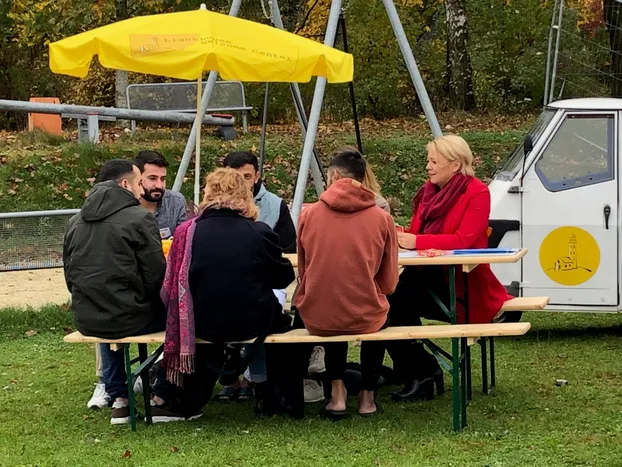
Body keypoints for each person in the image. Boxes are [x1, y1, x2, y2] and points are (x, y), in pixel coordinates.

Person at [151, 168, 299, 420]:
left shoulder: (187, 233)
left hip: (200, 322)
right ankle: (276, 393)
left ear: (208, 194)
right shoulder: (259, 231)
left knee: (213, 339)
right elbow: (284, 277)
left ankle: (179, 395)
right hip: (253, 321)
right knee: (285, 322)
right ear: (244, 195)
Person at [386, 134, 512, 402]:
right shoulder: (427, 193)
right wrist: (400, 235)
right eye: (428, 161)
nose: (428, 167)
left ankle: (420, 372)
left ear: (455, 165)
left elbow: (464, 240)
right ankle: (421, 369)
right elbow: (417, 235)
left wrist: (416, 240)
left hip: (461, 284)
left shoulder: (477, 192)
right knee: (383, 304)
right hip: (425, 277)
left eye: (434, 161)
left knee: (393, 302)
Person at [294, 146, 399, 417]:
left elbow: (304, 274)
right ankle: (367, 397)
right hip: (365, 316)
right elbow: (388, 284)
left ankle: (337, 393)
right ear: (362, 179)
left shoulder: (308, 215)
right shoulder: (382, 218)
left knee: (330, 304)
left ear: (332, 176)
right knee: (377, 313)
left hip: (319, 316)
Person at [63, 159, 167, 424]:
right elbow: (157, 275)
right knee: (179, 315)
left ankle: (118, 396)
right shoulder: (140, 218)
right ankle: (164, 389)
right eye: (138, 182)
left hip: (86, 317)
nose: (142, 188)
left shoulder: (75, 221)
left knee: (108, 311)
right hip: (131, 315)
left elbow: (69, 275)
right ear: (125, 184)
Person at [217, 151, 298, 402]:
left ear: (257, 176)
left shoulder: (274, 205)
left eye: (247, 176)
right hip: (226, 282)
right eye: (236, 178)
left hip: (265, 279)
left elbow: (287, 251)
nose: (242, 183)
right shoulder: (212, 209)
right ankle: (235, 377)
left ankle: (257, 378)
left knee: (261, 307)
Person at [134, 150, 188, 239]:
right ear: (138, 178)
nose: (159, 185)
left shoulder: (176, 202)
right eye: (152, 178)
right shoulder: (125, 204)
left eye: (162, 179)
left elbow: (183, 241)